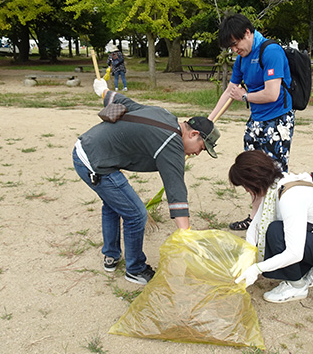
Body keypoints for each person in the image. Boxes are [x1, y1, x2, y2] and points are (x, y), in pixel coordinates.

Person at [72, 78, 220, 285]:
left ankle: (111, 255)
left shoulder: (166, 115)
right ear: (193, 134)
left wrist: (104, 92)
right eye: (202, 147)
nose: (198, 153)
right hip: (94, 161)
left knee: (113, 204)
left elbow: (128, 104)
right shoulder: (172, 143)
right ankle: (135, 269)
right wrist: (186, 236)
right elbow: (176, 190)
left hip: (88, 147)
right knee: (136, 214)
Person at [208, 13, 295, 232]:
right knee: (252, 172)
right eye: (230, 47)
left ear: (248, 33)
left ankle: (278, 222)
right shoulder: (241, 59)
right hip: (256, 120)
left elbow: (272, 93)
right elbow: (230, 91)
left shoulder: (271, 51)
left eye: (235, 44)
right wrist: (209, 121)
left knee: (275, 173)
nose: (234, 50)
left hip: (278, 121)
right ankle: (255, 218)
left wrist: (244, 96)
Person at [230, 150, 313, 303]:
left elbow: (294, 253)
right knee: (275, 232)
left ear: (254, 180)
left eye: (245, 186)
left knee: (276, 232)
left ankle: (297, 286)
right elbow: (255, 226)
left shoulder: (290, 197)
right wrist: (245, 259)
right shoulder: (279, 184)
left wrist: (257, 268)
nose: (247, 191)